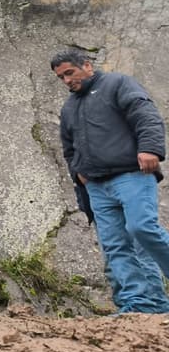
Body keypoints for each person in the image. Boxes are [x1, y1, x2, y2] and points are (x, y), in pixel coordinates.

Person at [53, 50, 169, 313]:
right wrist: (78, 173)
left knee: (142, 229)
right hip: (96, 186)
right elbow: (69, 149)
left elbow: (146, 115)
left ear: (87, 65)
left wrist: (150, 148)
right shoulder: (69, 107)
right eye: (61, 77)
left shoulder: (117, 83)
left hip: (132, 175)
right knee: (115, 246)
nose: (67, 81)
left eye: (70, 73)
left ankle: (147, 302)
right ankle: (142, 304)